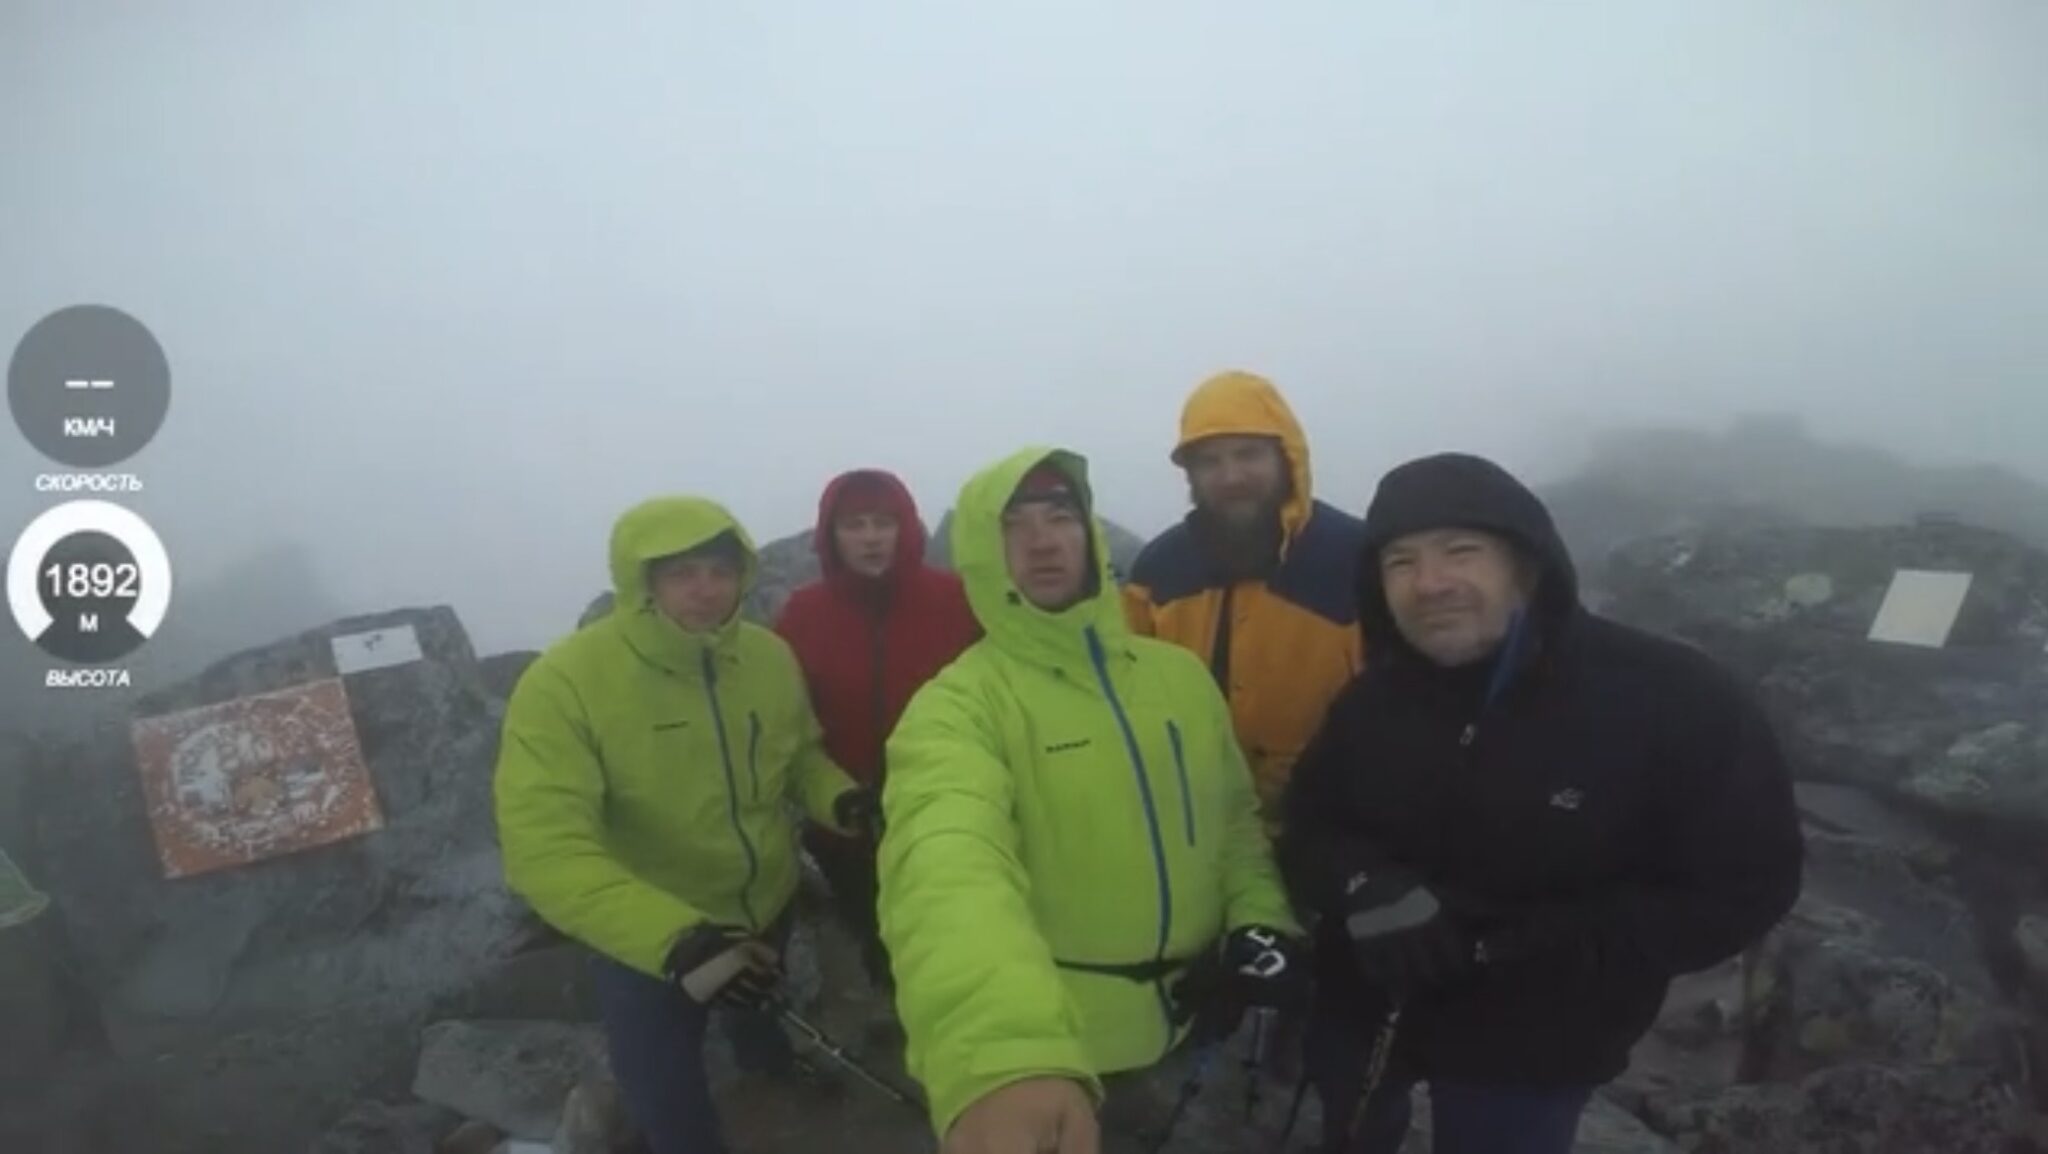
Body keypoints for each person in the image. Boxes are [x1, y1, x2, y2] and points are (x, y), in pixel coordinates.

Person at [1275, 452, 1804, 1154]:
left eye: (1461, 551)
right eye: (1400, 562)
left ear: (1525, 565)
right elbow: (1309, 825)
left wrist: (1549, 946)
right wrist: (1365, 885)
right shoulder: (1372, 701)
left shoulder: (1672, 696)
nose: (1430, 583)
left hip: (1538, 1043)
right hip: (1367, 1006)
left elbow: (1749, 880)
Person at [876, 446, 1309, 1154]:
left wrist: (1260, 921)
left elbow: (1233, 821)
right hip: (1069, 1050)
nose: (1043, 540)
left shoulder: (1179, 677)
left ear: (1089, 533)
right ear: (982, 551)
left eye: (1060, 516)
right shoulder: (958, 707)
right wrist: (1006, 1053)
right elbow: (945, 868)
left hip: (1204, 1015)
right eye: (1014, 525)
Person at [494, 495, 879, 1154]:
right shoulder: (565, 684)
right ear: (642, 581)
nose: (706, 590)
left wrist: (841, 800)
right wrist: (675, 942)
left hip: (764, 905)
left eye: (721, 571)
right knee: (663, 1080)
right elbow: (544, 849)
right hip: (650, 944)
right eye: (682, 573)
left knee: (759, 1006)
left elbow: (798, 760)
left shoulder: (765, 657)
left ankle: (769, 1069)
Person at [1122, 369, 1368, 827]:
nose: (1231, 476)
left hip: (1339, 828)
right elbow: (1129, 698)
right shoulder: (1158, 572)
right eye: (1210, 462)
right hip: (1199, 826)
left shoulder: (1356, 558)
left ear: (1286, 457)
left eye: (1248, 454)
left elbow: (1407, 698)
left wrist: (1323, 771)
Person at [773, 468, 980, 998]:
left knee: (955, 937)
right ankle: (890, 1003)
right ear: (831, 535)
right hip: (847, 820)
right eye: (854, 525)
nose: (870, 538)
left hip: (948, 811)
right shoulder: (804, 614)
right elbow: (789, 721)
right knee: (875, 935)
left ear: (906, 527)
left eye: (884, 523)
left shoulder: (958, 601)